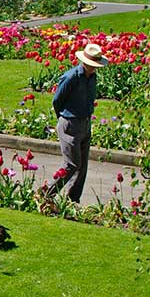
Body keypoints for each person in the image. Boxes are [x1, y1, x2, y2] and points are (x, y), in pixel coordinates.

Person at [43, 43, 108, 204]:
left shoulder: (92, 77)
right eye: (92, 65)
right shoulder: (71, 77)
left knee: (82, 167)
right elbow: (57, 100)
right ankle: (45, 193)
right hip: (70, 123)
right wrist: (64, 119)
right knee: (72, 164)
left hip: (85, 123)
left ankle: (73, 200)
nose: (94, 68)